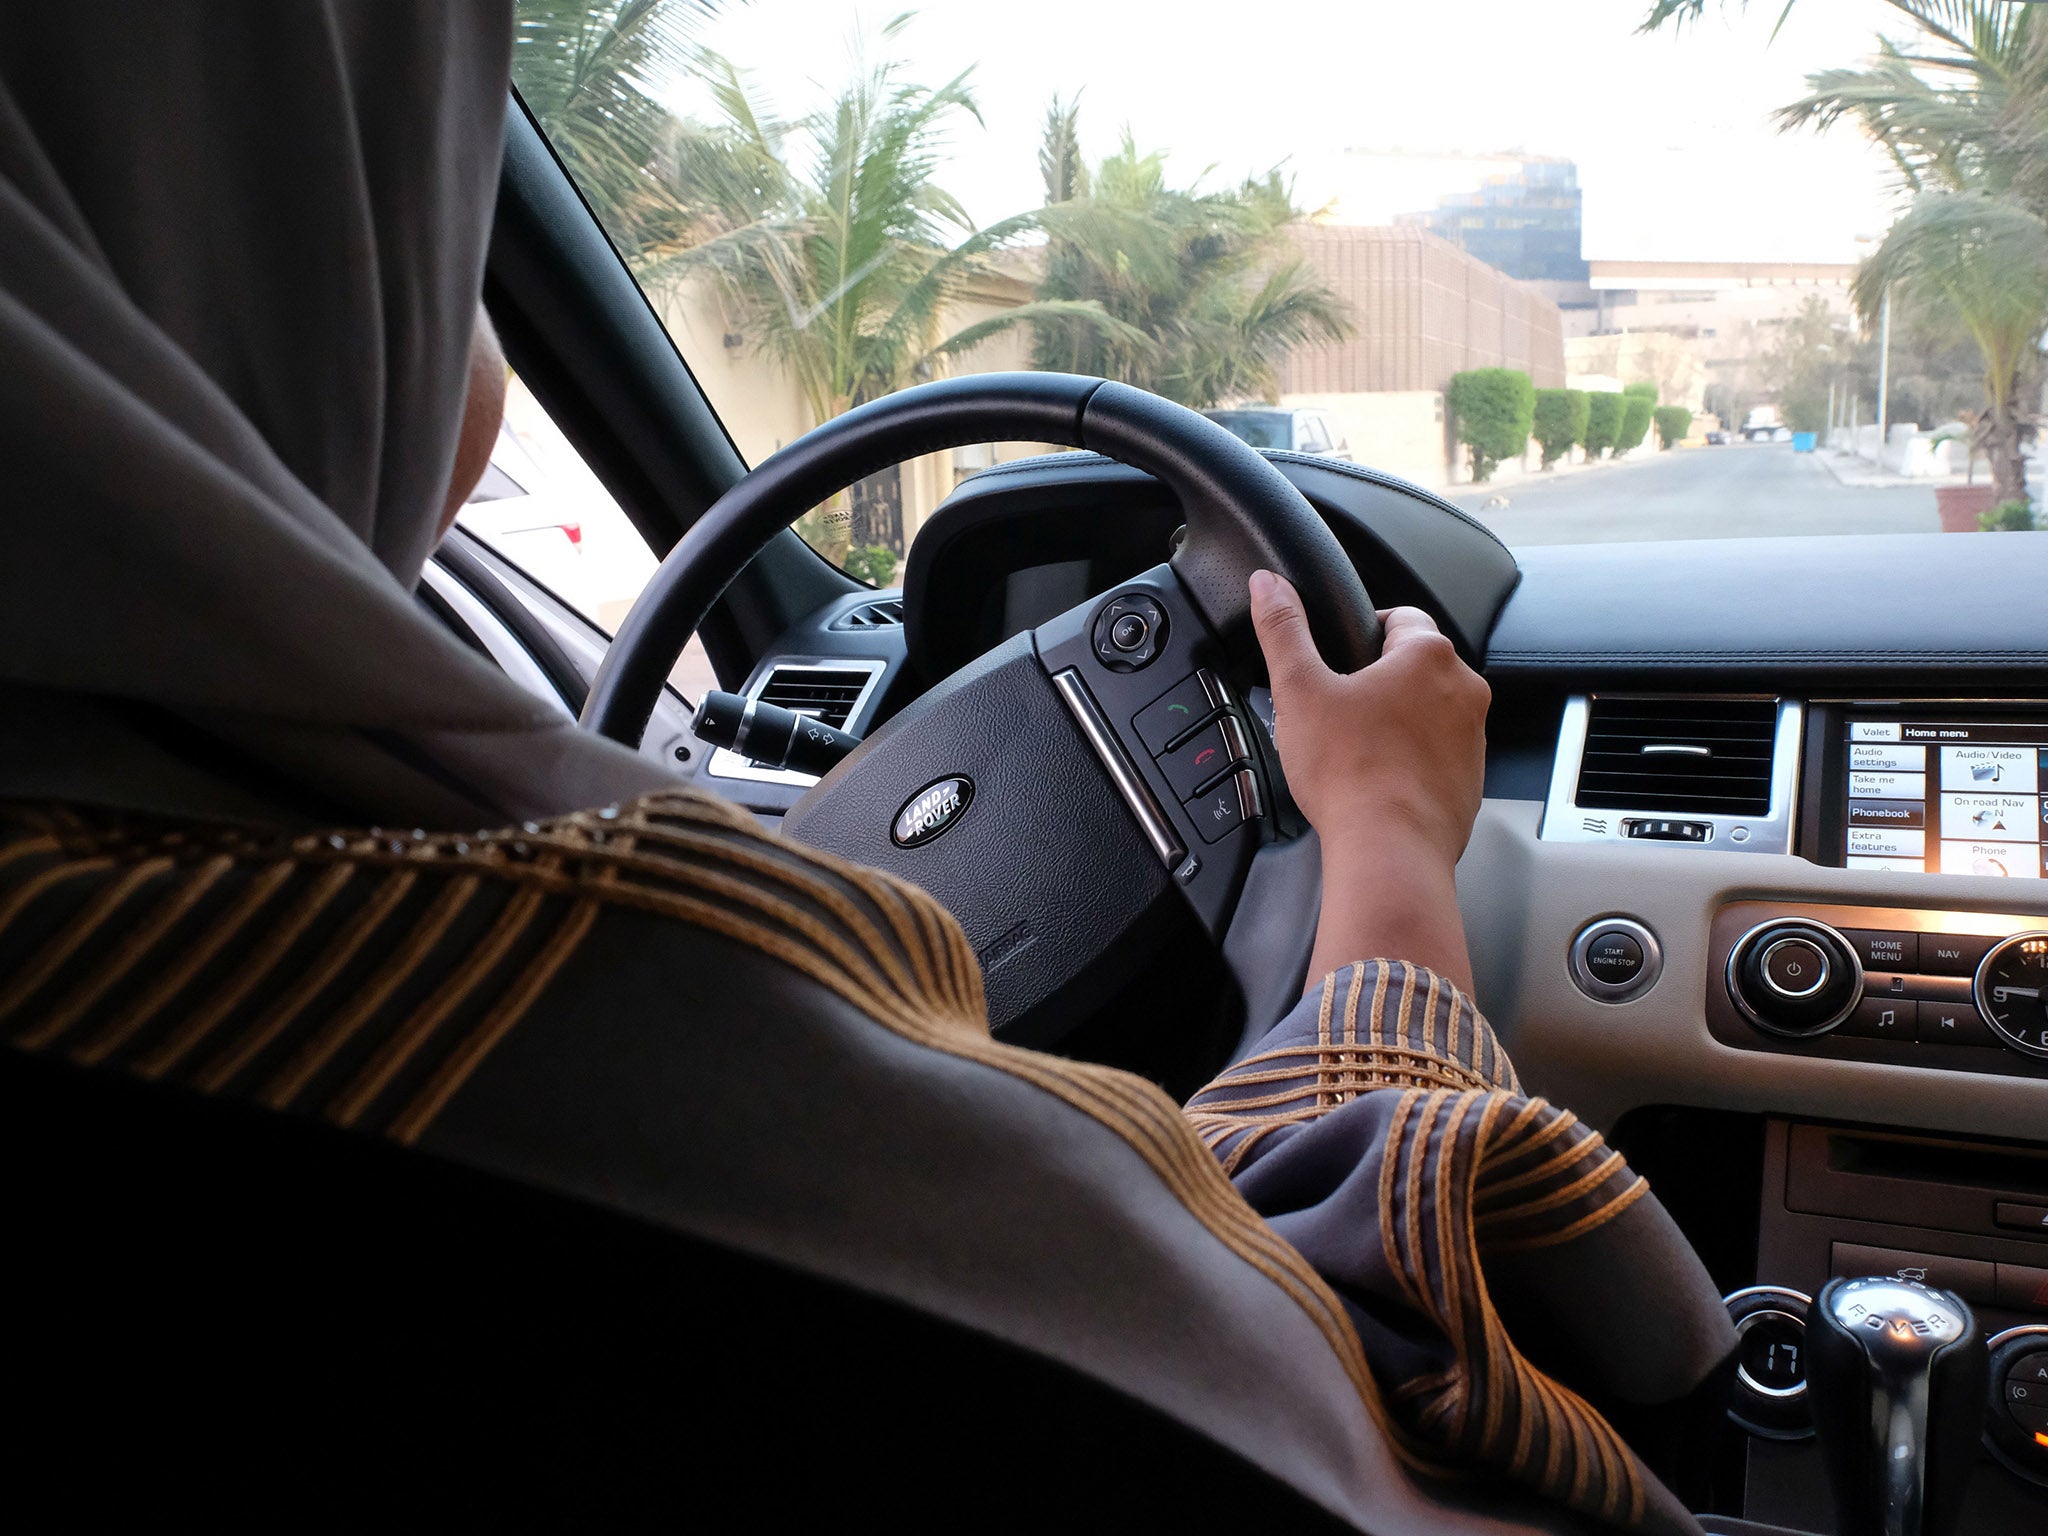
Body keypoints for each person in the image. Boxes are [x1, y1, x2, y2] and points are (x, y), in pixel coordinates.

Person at [0, 6, 1731, 1533]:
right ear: (253, 237)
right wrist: (1388, 839)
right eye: (437, 218)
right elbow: (1324, 1358)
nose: (480, 351)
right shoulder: (557, 1009)